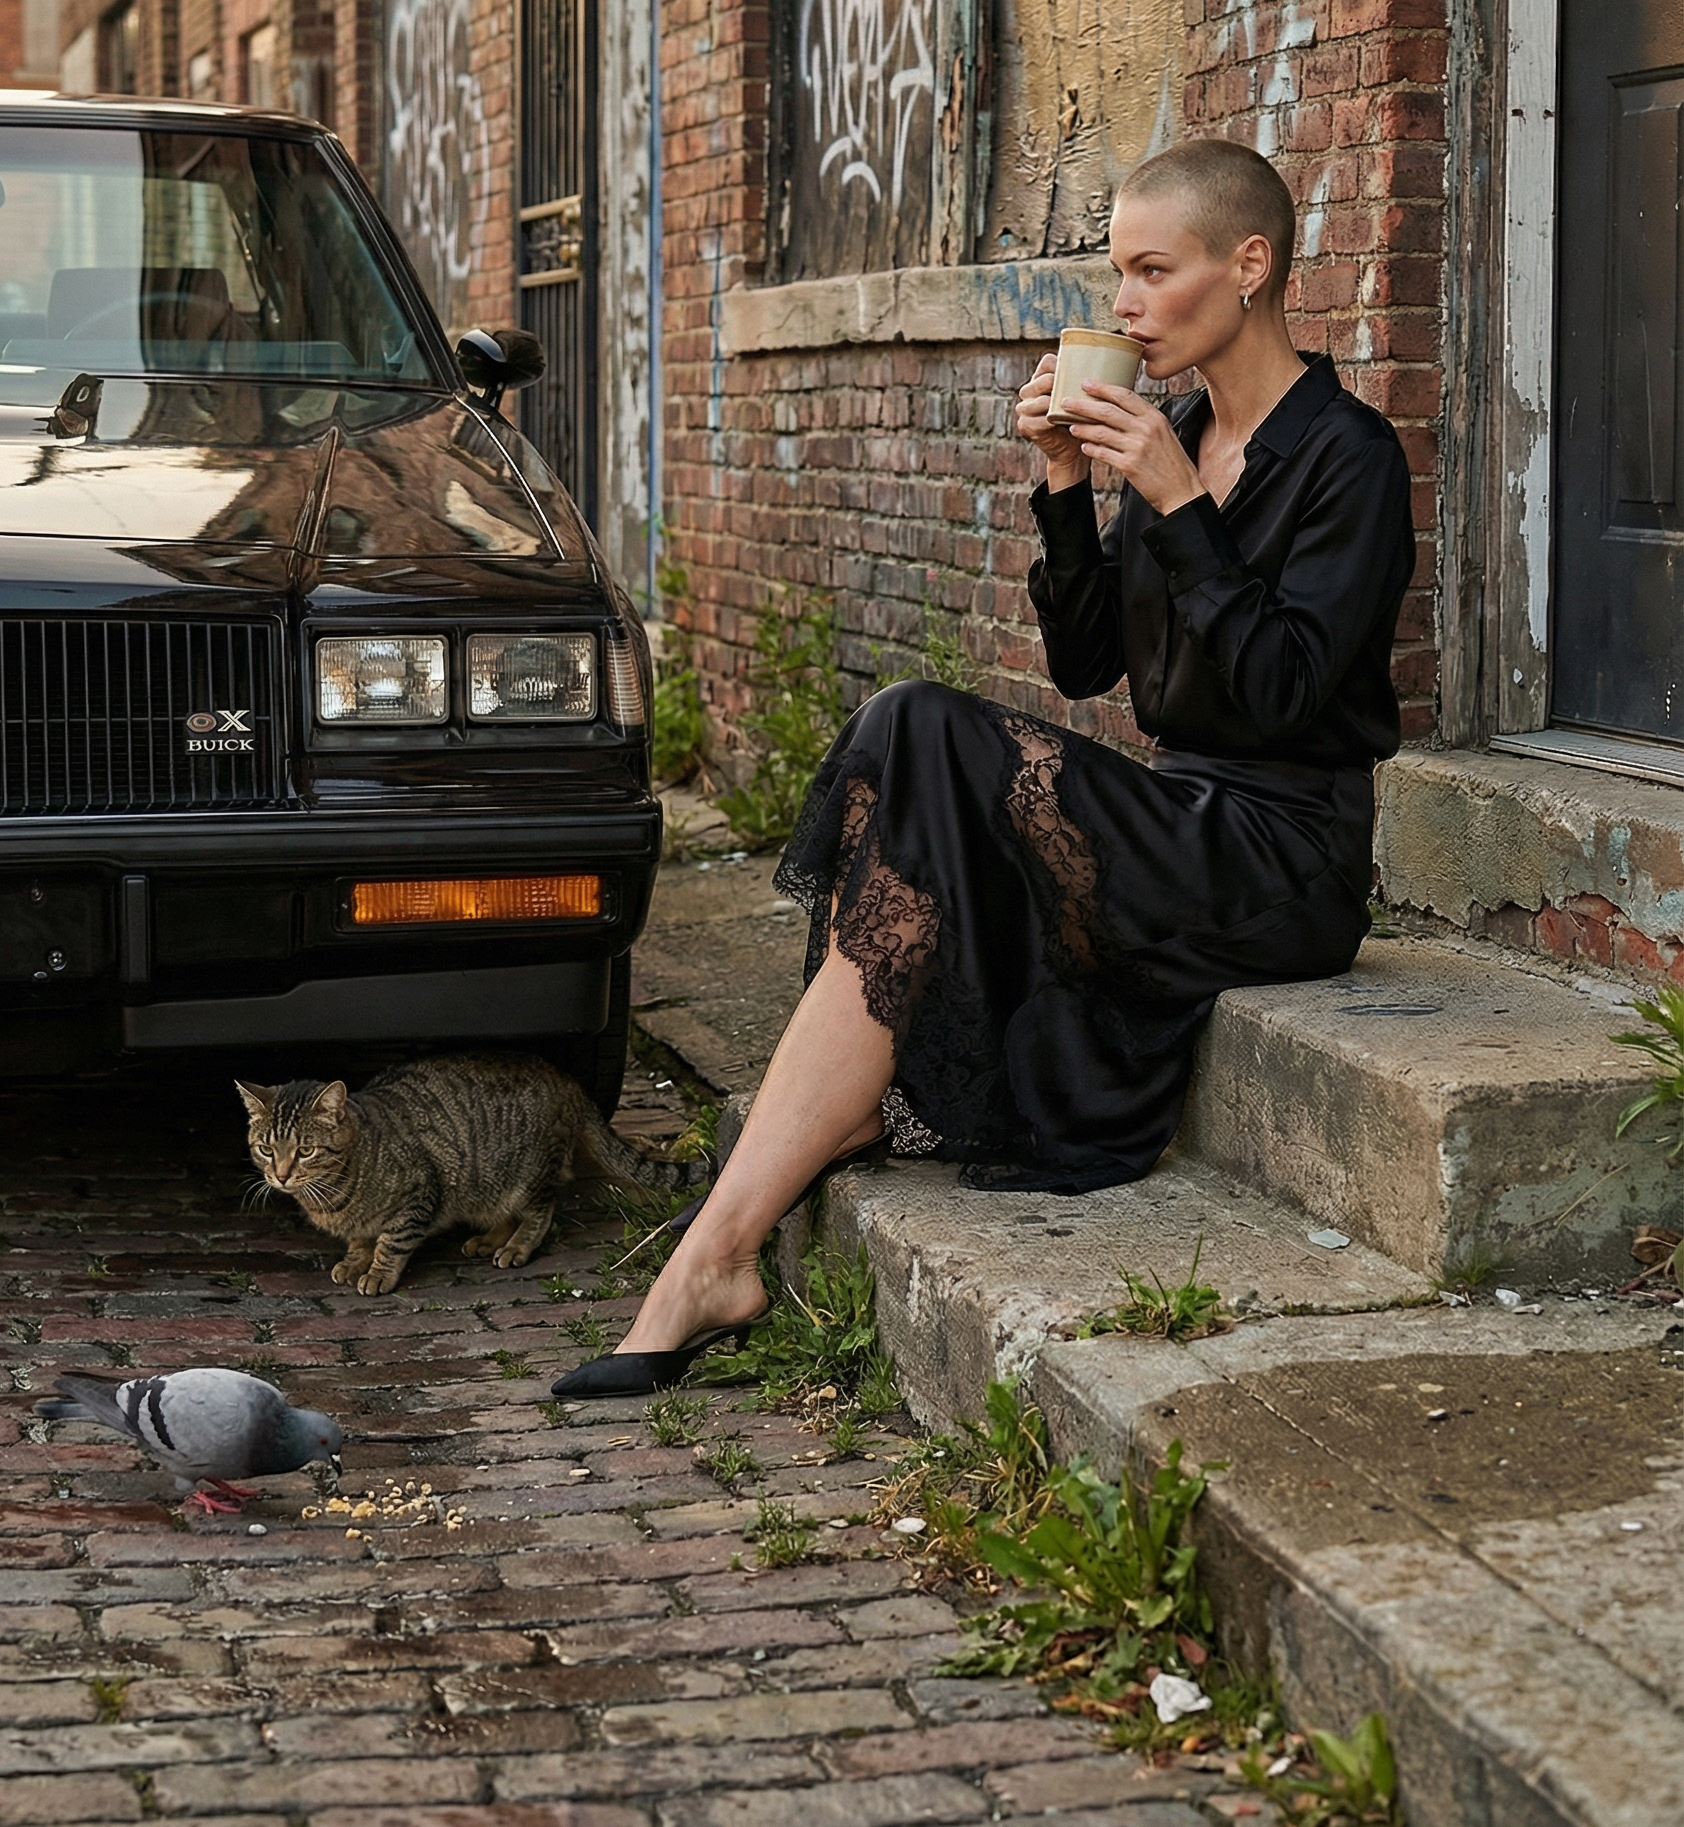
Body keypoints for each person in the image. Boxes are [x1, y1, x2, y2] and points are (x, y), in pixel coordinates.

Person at [552, 138, 1416, 1398]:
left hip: (1282, 856)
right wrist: (1067, 484)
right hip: (1180, 813)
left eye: (1147, 271)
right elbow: (1079, 667)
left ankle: (726, 1239)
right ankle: (721, 1249)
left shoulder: (1347, 454)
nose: (1118, 304)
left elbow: (1286, 690)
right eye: (1113, 272)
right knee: (918, 745)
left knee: (922, 728)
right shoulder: (1163, 430)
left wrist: (1180, 507)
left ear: (1249, 267)